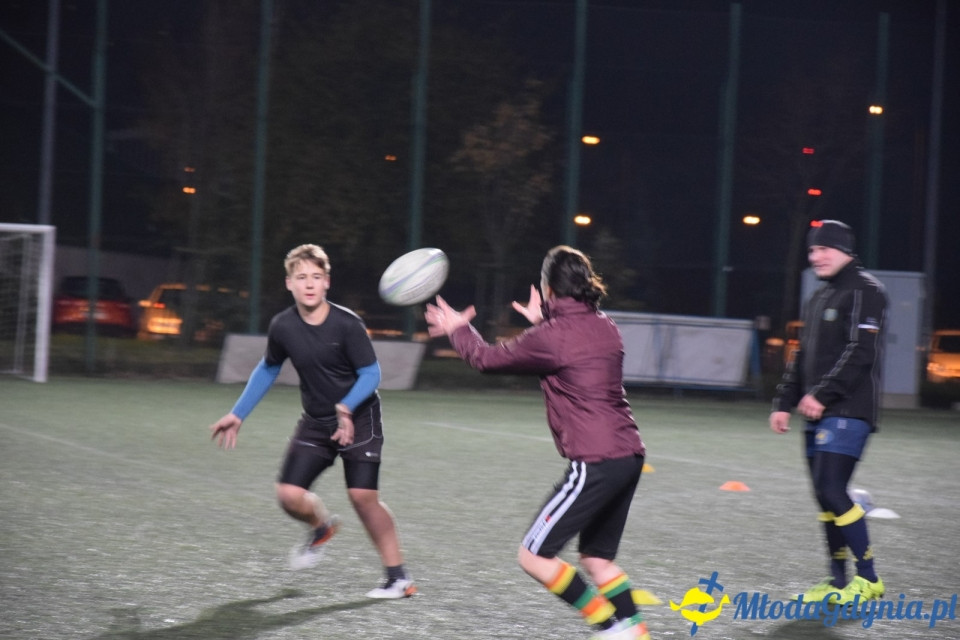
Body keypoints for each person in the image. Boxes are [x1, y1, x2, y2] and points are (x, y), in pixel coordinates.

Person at [425, 245, 651, 640]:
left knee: (533, 555)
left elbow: (486, 359)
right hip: (628, 455)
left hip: (595, 460)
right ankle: (635, 631)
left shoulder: (552, 336)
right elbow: (570, 339)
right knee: (597, 559)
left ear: (548, 288)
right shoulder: (606, 325)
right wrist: (544, 317)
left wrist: (458, 328)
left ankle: (609, 625)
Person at [210, 244, 415, 599]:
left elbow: (371, 373)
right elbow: (269, 367)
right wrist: (237, 413)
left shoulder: (348, 324)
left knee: (363, 496)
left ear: (327, 283)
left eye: (316, 277)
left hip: (360, 417)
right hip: (318, 420)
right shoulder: (283, 326)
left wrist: (347, 407)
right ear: (289, 283)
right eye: (301, 277)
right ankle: (321, 527)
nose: (309, 284)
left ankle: (398, 578)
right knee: (289, 496)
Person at [770, 220, 887, 604]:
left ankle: (868, 579)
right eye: (812, 250)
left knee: (833, 489)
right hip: (819, 411)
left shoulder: (866, 290)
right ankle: (838, 581)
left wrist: (821, 394)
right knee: (824, 495)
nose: (817, 256)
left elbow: (860, 351)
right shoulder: (819, 297)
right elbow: (802, 354)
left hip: (850, 408)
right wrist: (784, 402)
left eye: (825, 249)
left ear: (846, 251)